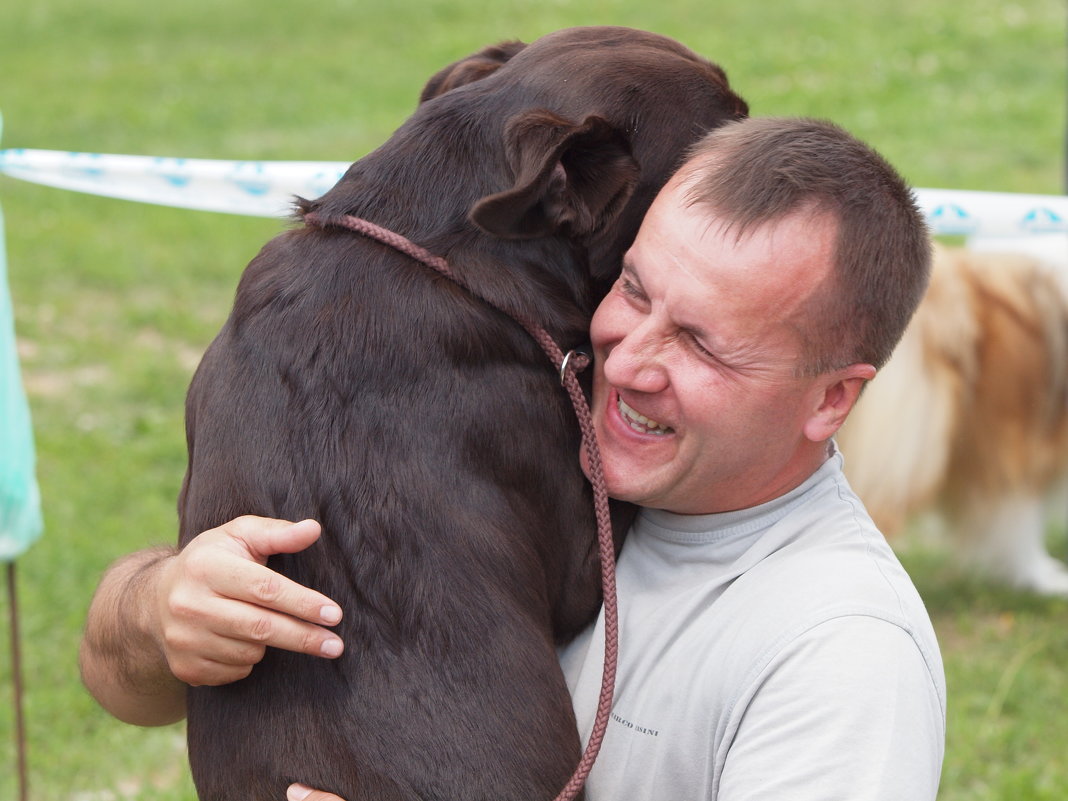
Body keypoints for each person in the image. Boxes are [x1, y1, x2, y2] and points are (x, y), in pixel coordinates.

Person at [79, 116, 945, 801]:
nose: (630, 360)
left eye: (702, 344)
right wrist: (159, 611)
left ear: (832, 397)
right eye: (635, 288)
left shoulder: (840, 652)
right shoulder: (546, 432)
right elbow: (120, 685)